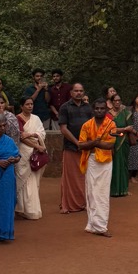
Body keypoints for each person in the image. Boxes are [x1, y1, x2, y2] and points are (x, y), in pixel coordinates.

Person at [77, 96, 116, 236]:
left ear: (106, 110)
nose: (99, 111)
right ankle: (92, 225)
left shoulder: (111, 124)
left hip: (105, 162)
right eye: (97, 108)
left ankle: (101, 227)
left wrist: (93, 143)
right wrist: (97, 142)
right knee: (91, 192)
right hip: (91, 160)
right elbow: (80, 145)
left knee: (103, 193)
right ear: (93, 110)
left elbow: (110, 144)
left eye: (102, 109)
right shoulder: (87, 125)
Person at [58, 83, 91, 213]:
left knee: (85, 177)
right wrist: (77, 142)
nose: (78, 93)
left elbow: (92, 126)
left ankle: (84, 203)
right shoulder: (65, 107)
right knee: (70, 177)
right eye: (76, 91)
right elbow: (63, 129)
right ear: (71, 92)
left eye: (81, 91)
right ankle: (67, 205)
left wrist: (87, 143)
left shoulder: (88, 108)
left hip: (86, 147)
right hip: (71, 147)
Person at [16, 95, 47, 219]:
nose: (30, 106)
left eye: (31, 104)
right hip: (23, 153)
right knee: (22, 180)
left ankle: (31, 209)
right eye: (27, 104)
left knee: (33, 181)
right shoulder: (17, 118)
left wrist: (34, 135)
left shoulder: (36, 118)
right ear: (21, 106)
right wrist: (36, 145)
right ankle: (20, 208)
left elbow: (42, 133)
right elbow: (21, 137)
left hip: (35, 152)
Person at [109, 93, 133, 197]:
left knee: (123, 165)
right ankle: (113, 190)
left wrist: (120, 132)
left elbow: (130, 127)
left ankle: (124, 189)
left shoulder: (125, 113)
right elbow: (108, 129)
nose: (117, 102)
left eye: (119, 100)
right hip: (111, 141)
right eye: (115, 101)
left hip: (123, 141)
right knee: (113, 166)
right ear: (111, 102)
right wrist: (123, 129)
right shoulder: (108, 114)